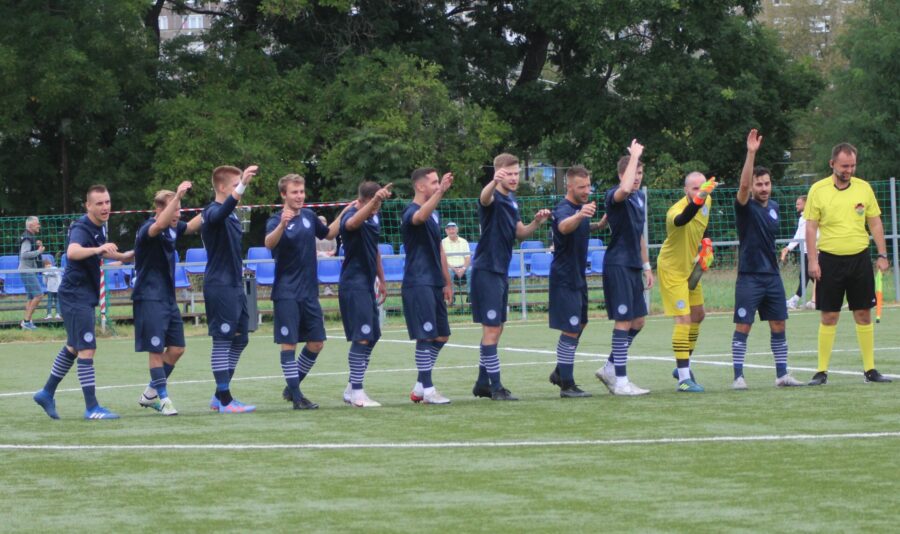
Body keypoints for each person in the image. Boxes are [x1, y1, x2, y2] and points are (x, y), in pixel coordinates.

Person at [33, 185, 134, 420]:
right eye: (99, 203)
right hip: (75, 295)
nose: (105, 207)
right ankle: (92, 407)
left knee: (73, 346)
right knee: (87, 348)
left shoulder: (99, 227)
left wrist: (122, 257)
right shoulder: (81, 227)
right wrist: (99, 248)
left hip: (82, 295)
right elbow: (73, 252)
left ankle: (46, 393)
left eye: (107, 202)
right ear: (88, 206)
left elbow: (99, 253)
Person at [805, 143, 892, 385]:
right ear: (832, 164)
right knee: (829, 315)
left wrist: (882, 254)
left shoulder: (864, 188)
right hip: (829, 260)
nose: (849, 170)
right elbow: (811, 227)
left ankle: (870, 370)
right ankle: (821, 371)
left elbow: (874, 222)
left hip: (859, 259)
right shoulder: (818, 190)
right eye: (844, 166)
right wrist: (813, 260)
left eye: (852, 165)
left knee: (863, 313)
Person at [470, 153, 551, 401]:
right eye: (509, 174)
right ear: (499, 174)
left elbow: (520, 233)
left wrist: (536, 222)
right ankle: (496, 387)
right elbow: (484, 198)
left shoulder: (511, 200)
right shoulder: (492, 196)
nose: (514, 178)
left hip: (500, 270)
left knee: (498, 328)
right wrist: (494, 181)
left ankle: (482, 383)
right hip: (487, 269)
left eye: (517, 173)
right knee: (492, 329)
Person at [730, 129, 804, 389]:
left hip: (772, 276)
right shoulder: (744, 206)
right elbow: (742, 187)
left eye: (767, 184)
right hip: (749, 277)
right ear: (752, 186)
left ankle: (782, 375)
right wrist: (751, 153)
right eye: (759, 184)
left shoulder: (774, 208)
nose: (763, 188)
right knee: (744, 325)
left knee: (779, 323)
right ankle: (738, 377)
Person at [266, 174, 348, 410]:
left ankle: (291, 388)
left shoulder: (310, 216)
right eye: (294, 192)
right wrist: (282, 225)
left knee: (317, 342)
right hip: (286, 292)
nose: (300, 196)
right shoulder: (275, 220)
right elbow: (269, 243)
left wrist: (345, 213)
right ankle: (297, 397)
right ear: (284, 195)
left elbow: (328, 234)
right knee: (289, 344)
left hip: (309, 292)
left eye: (301, 191)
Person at [133, 181, 202, 416]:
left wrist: (219, 204)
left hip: (167, 298)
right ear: (160, 209)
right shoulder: (149, 228)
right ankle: (163, 399)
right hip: (149, 297)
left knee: (178, 348)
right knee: (155, 349)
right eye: (175, 209)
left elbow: (191, 226)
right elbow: (159, 225)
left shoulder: (173, 226)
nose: (178, 214)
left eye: (180, 209)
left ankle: (150, 394)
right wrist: (178, 196)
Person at [594, 141, 654, 396]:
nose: (637, 177)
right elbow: (625, 188)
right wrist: (634, 156)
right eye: (633, 172)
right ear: (622, 175)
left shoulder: (639, 198)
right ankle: (621, 382)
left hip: (632, 266)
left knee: (638, 321)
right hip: (617, 264)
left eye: (640, 172)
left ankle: (610, 367)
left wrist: (647, 266)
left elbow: (639, 235)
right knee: (624, 320)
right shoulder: (615, 195)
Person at [202, 164, 259, 414]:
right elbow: (222, 211)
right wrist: (243, 184)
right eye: (235, 185)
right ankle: (225, 400)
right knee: (222, 340)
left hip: (235, 285)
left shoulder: (233, 214)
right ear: (222, 187)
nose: (240, 189)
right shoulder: (213, 211)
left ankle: (219, 396)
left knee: (241, 338)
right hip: (220, 286)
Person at [657, 172, 717, 392]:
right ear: (686, 190)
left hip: (690, 269)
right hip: (671, 270)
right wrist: (701, 196)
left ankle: (682, 366)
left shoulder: (707, 200)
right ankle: (683, 378)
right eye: (695, 188)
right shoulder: (675, 212)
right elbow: (685, 218)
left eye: (702, 187)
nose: (700, 192)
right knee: (683, 319)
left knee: (698, 315)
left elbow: (702, 224)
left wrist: (706, 243)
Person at [338, 181, 394, 407]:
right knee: (361, 337)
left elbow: (375, 250)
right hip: (353, 284)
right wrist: (374, 202)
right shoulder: (351, 214)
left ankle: (351, 387)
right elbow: (351, 224)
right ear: (365, 200)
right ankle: (358, 393)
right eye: (374, 204)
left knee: (373, 336)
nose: (376, 209)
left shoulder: (374, 217)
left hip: (367, 284)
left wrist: (381, 279)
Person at [401, 167, 454, 404]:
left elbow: (440, 249)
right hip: (418, 281)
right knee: (425, 336)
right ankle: (429, 390)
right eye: (433, 182)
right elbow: (419, 217)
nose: (436, 185)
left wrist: (447, 281)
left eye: (437, 182)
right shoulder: (411, 211)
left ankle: (420, 386)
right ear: (420, 186)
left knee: (442, 335)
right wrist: (441, 191)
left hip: (434, 282)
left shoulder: (435, 214)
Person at [547, 165, 596, 398]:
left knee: (581, 323)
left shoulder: (579, 209)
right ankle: (567, 385)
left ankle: (560, 371)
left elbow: (580, 227)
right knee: (570, 328)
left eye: (588, 186)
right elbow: (564, 227)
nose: (587, 191)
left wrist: (599, 223)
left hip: (578, 276)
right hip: (564, 278)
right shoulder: (564, 209)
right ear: (569, 186)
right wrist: (581, 214)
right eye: (581, 187)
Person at [780, 195, 816, 310]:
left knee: (805, 276)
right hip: (804, 251)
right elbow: (798, 235)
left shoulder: (812, 217)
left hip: (812, 251)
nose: (796, 206)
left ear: (806, 204)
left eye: (798, 204)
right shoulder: (802, 218)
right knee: (811, 277)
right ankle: (821, 298)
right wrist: (788, 248)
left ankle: (794, 300)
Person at [19, 216, 45, 330]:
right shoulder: (27, 238)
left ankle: (27, 322)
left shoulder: (30, 237)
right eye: (37, 223)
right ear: (30, 225)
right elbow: (24, 254)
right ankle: (26, 321)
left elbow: (30, 251)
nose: (39, 225)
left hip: (28, 269)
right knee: (39, 295)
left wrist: (37, 246)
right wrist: (38, 251)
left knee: (31, 297)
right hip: (26, 269)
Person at [441, 221, 470, 301]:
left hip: (463, 267)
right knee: (448, 271)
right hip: (450, 267)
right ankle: (451, 295)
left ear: (457, 230)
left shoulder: (464, 241)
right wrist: (454, 269)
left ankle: (470, 295)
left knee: (471, 271)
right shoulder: (442, 242)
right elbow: (442, 260)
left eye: (453, 229)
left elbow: (468, 258)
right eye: (449, 229)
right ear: (446, 231)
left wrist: (463, 268)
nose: (451, 231)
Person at [316, 214, 338, 295]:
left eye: (324, 222)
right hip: (317, 258)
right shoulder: (313, 235)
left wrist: (329, 253)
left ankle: (328, 287)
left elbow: (334, 249)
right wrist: (320, 253)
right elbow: (311, 248)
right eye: (320, 222)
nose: (322, 223)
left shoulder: (331, 235)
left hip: (330, 258)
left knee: (329, 264)